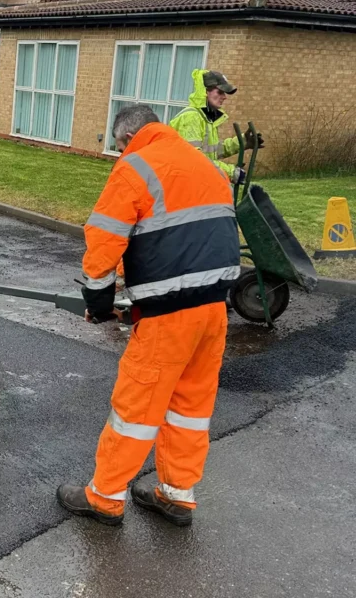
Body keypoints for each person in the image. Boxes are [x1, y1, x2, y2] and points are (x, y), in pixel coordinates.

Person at [56, 105, 240, 527]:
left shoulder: (134, 167)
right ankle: (176, 495)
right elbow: (183, 234)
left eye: (119, 147)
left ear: (126, 139)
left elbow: (104, 237)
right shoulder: (206, 167)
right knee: (190, 407)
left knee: (135, 409)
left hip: (168, 317)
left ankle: (104, 498)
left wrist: (99, 301)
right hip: (214, 310)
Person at [169, 69, 263, 184]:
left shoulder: (206, 118)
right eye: (220, 92)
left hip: (196, 183)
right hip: (183, 186)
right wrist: (230, 172)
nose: (224, 97)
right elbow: (196, 159)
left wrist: (242, 142)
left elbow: (213, 151)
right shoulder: (191, 118)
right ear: (205, 92)